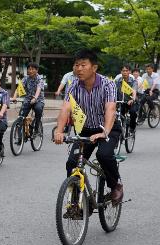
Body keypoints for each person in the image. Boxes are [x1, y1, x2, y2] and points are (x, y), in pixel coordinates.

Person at [54, 49, 123, 204]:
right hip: (85, 129)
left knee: (103, 155)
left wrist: (104, 132)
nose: (79, 68)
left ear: (94, 67)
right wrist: (59, 131)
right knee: (72, 162)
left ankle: (115, 186)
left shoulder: (108, 84)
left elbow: (110, 110)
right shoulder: (73, 86)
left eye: (83, 65)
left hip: (107, 128)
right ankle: (75, 202)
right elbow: (65, 109)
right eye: (76, 65)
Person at [11, 62, 45, 138]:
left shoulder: (40, 79)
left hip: (38, 100)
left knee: (38, 109)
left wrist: (35, 98)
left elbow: (38, 89)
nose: (30, 71)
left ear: (37, 70)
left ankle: (36, 130)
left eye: (32, 69)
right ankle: (20, 137)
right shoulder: (26, 78)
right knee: (21, 116)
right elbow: (19, 88)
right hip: (28, 99)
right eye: (29, 69)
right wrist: (14, 97)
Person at [114, 64, 138, 133]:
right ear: (121, 72)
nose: (125, 72)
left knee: (133, 112)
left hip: (131, 102)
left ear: (129, 72)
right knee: (117, 115)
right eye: (123, 71)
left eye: (126, 71)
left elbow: (134, 91)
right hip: (121, 102)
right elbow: (113, 91)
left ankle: (132, 128)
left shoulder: (133, 81)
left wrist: (132, 99)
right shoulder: (117, 81)